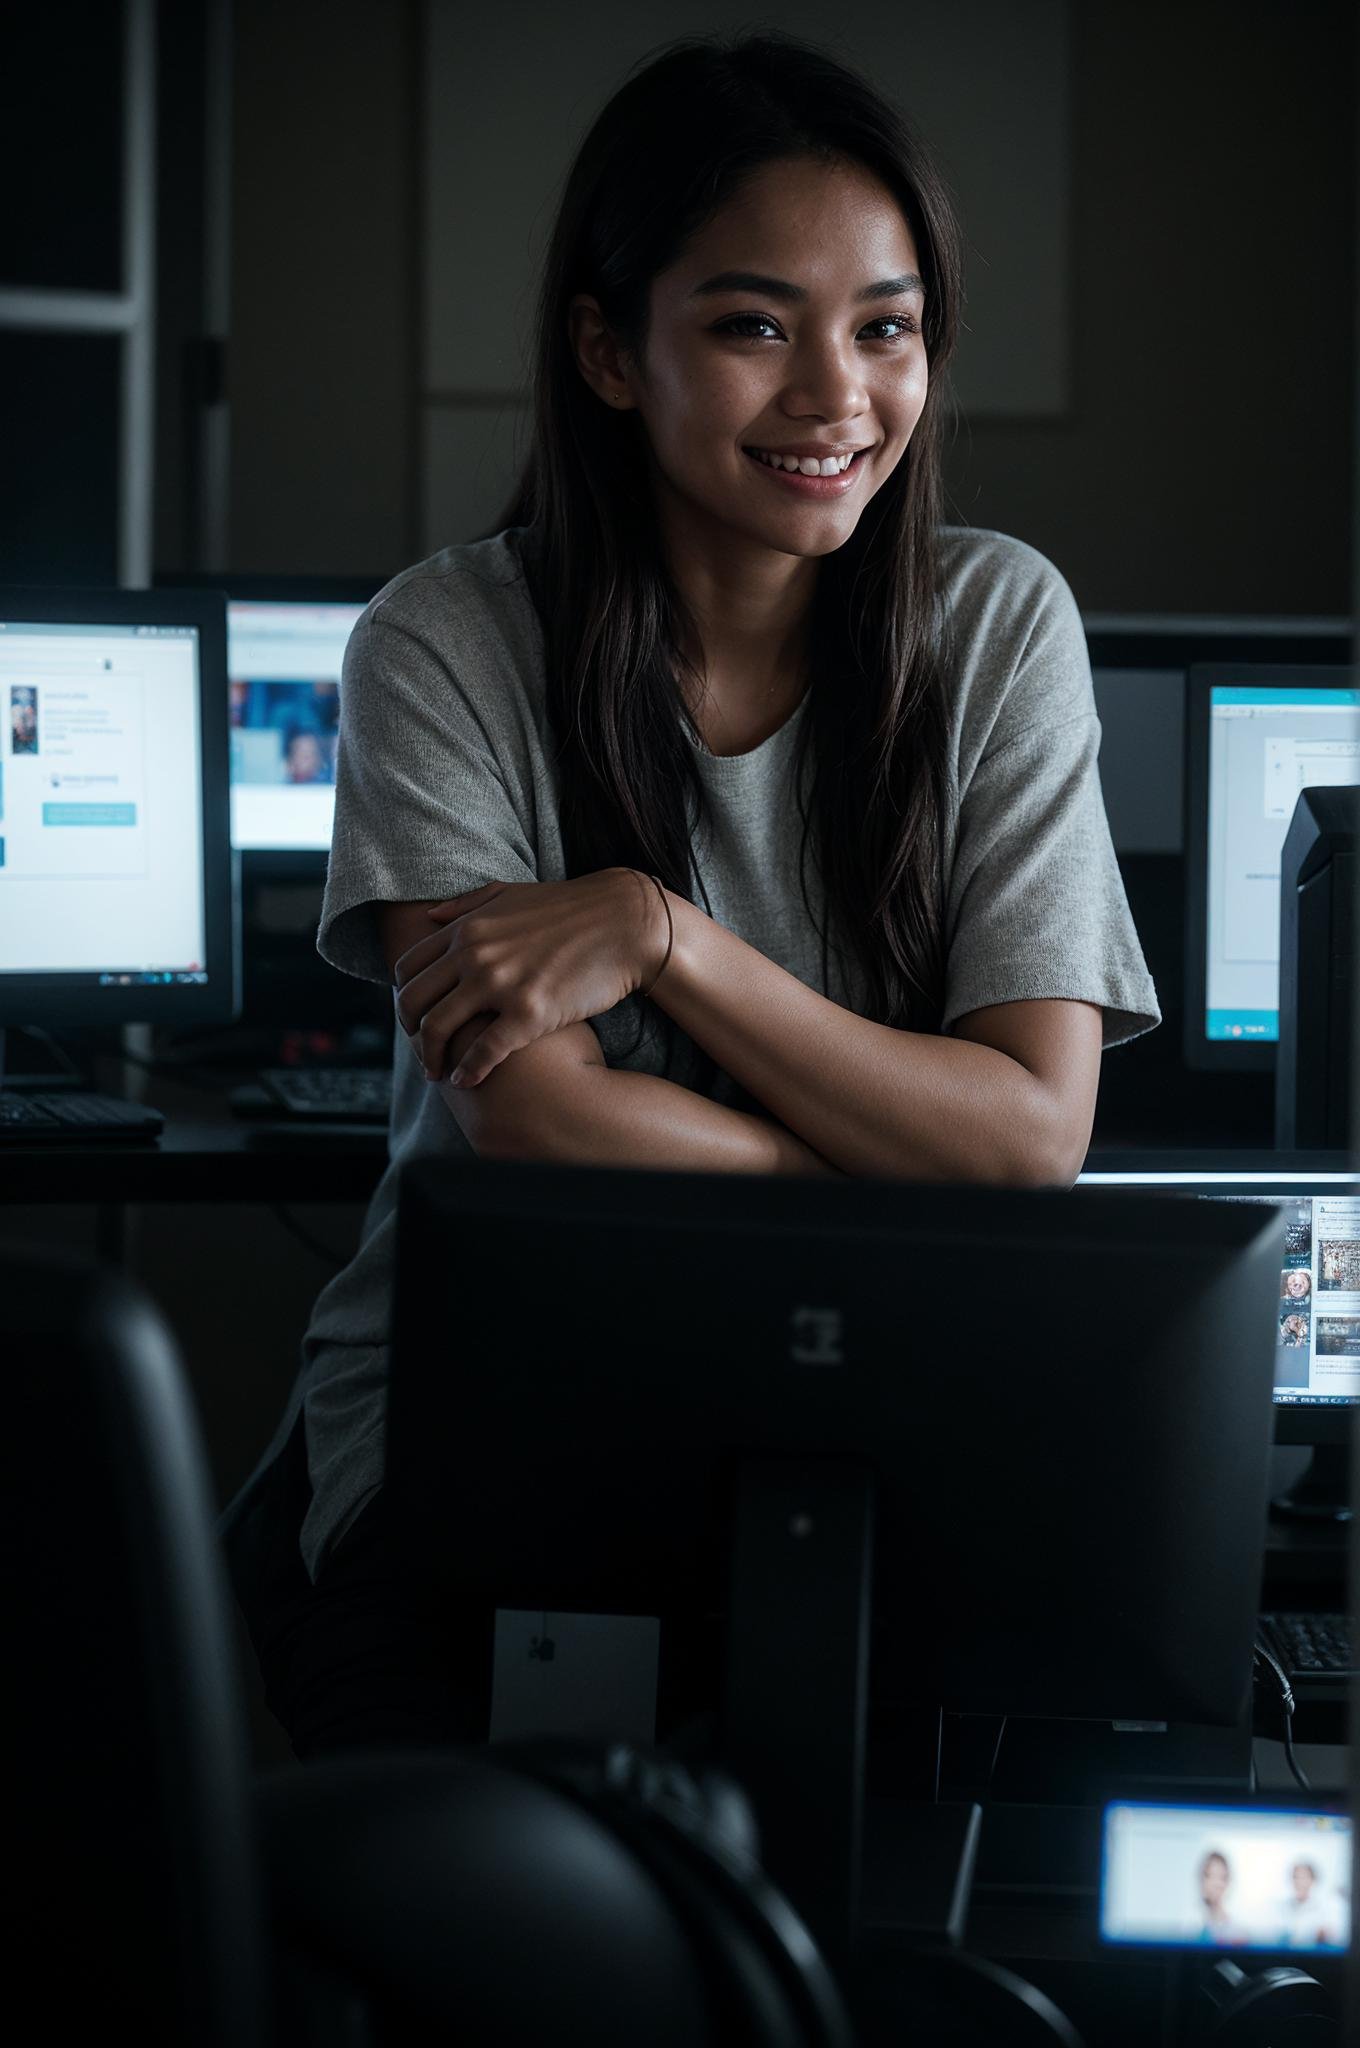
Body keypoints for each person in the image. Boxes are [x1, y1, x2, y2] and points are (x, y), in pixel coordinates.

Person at [222, 29, 1160, 1759]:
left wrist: (662, 932)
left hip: (878, 1425)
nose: (837, 397)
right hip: (482, 1445)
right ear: (606, 348)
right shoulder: (444, 640)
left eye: (886, 327)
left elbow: (1034, 1138)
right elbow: (548, 1135)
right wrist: (896, 1173)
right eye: (752, 326)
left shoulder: (998, 623)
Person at [1196, 1850, 1250, 1946]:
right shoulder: (1190, 1924)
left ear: (1227, 1882)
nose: (1216, 1883)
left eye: (1221, 1877)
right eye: (1209, 1875)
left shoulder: (1237, 1931)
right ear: (1201, 1879)